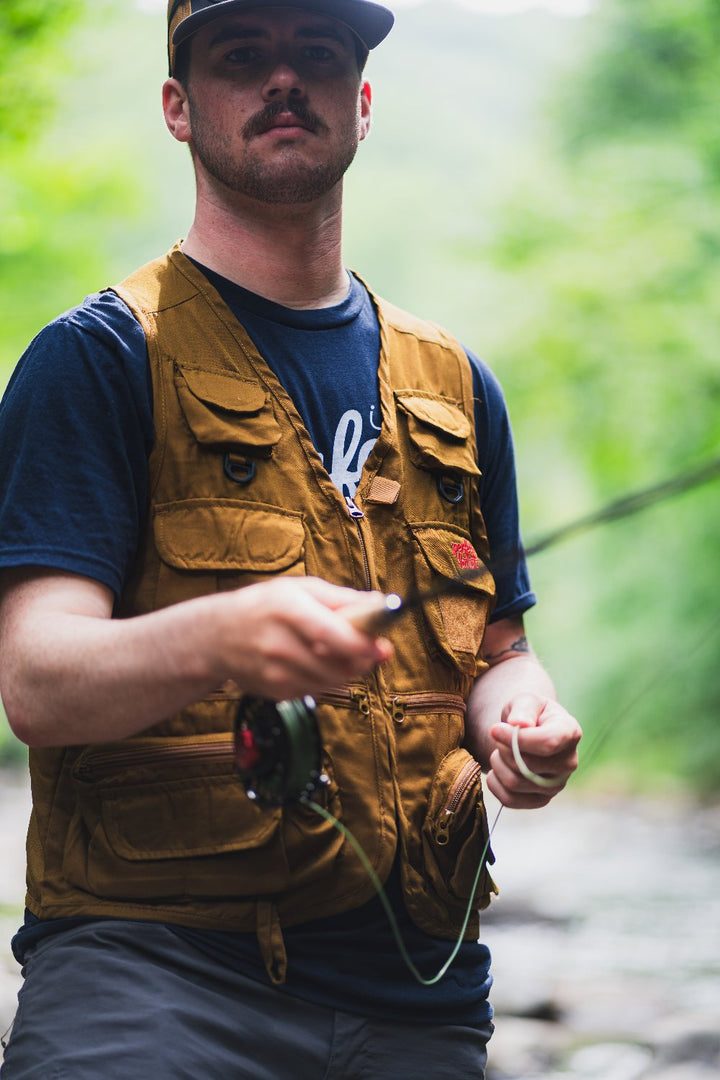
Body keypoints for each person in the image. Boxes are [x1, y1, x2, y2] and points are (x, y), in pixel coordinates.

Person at [0, 2, 582, 1077]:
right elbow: (38, 681)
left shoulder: (456, 385)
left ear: (361, 103)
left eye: (317, 54)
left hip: (421, 994)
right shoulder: (94, 361)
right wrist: (224, 637)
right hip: (151, 982)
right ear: (178, 107)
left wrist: (523, 721)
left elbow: (500, 650)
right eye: (240, 55)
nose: (283, 78)